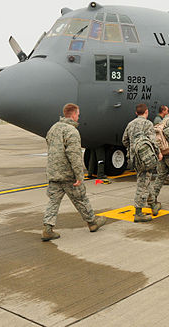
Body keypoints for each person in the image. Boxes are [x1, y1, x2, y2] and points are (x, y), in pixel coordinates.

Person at [42, 103, 106, 241]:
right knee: (81, 199)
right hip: (68, 174)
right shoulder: (72, 131)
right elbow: (74, 155)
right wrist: (79, 176)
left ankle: (48, 228)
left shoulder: (53, 128)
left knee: (53, 201)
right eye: (78, 114)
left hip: (54, 173)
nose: (78, 117)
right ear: (73, 114)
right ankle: (92, 223)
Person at [123, 103, 162, 222]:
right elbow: (153, 141)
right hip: (146, 157)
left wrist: (133, 148)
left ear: (136, 113)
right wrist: (158, 153)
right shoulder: (148, 124)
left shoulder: (130, 124)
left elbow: (124, 140)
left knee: (145, 180)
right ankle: (138, 212)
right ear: (146, 112)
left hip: (135, 158)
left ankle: (153, 204)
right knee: (142, 183)